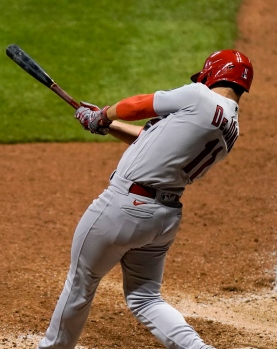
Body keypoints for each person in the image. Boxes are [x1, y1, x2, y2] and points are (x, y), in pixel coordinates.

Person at [37, 49, 254, 349]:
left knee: (80, 284)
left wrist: (104, 113)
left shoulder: (200, 97)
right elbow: (152, 140)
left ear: (212, 73)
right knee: (145, 298)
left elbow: (138, 106)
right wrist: (104, 123)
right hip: (162, 219)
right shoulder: (231, 129)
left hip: (122, 208)